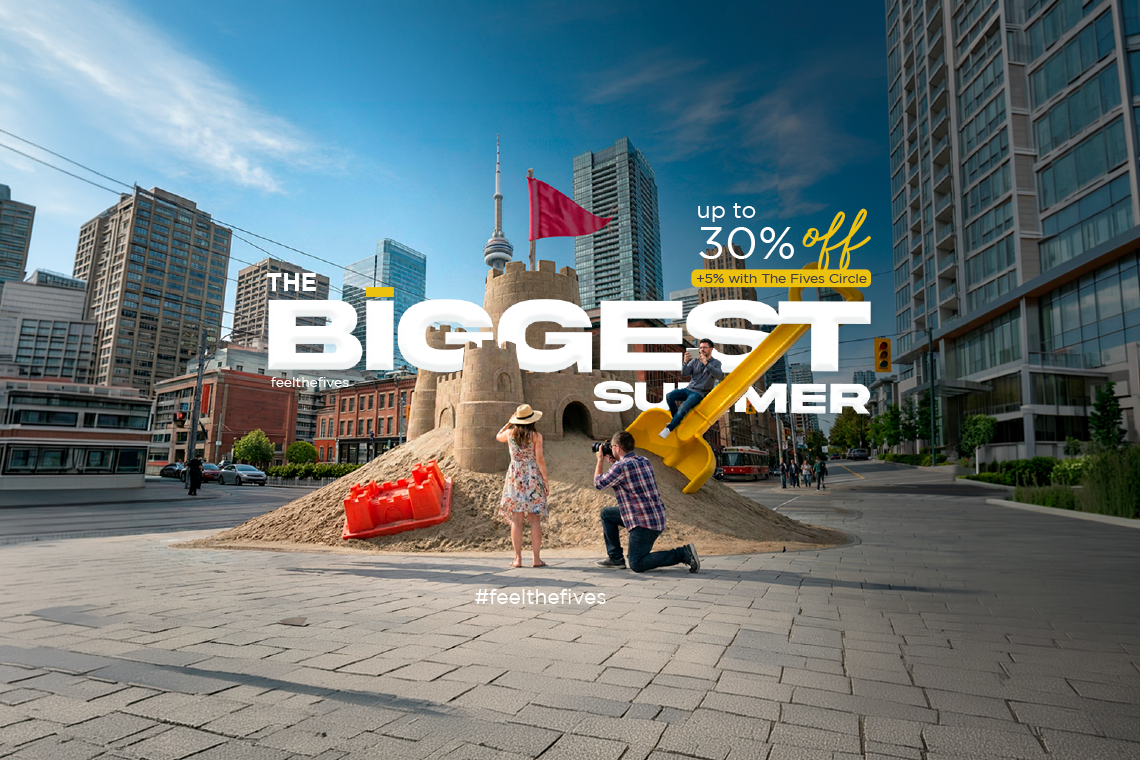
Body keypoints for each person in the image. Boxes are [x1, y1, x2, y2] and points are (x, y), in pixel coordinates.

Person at [594, 430, 700, 573]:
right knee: (607, 514)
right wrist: (613, 461)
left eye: (612, 446)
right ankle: (615, 558)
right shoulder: (644, 460)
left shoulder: (620, 467)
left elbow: (599, 483)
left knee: (636, 564)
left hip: (643, 523)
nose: (611, 449)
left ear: (617, 448)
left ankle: (683, 553)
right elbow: (626, 471)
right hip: (655, 517)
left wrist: (600, 460)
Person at [495, 404, 548, 568]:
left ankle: (517, 559)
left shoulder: (509, 434)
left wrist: (509, 423)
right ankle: (536, 559)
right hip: (532, 475)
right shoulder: (536, 436)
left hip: (515, 476)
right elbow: (539, 459)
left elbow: (497, 436)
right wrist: (545, 480)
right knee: (534, 519)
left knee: (517, 519)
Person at [660, 339, 724, 438]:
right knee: (669, 396)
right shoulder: (695, 360)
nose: (702, 350)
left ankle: (669, 428)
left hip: (699, 393)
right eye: (700, 348)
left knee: (683, 408)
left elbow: (720, 376)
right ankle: (675, 421)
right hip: (689, 389)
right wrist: (685, 362)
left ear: (711, 349)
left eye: (704, 348)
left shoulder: (716, 363)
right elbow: (684, 373)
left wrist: (706, 363)